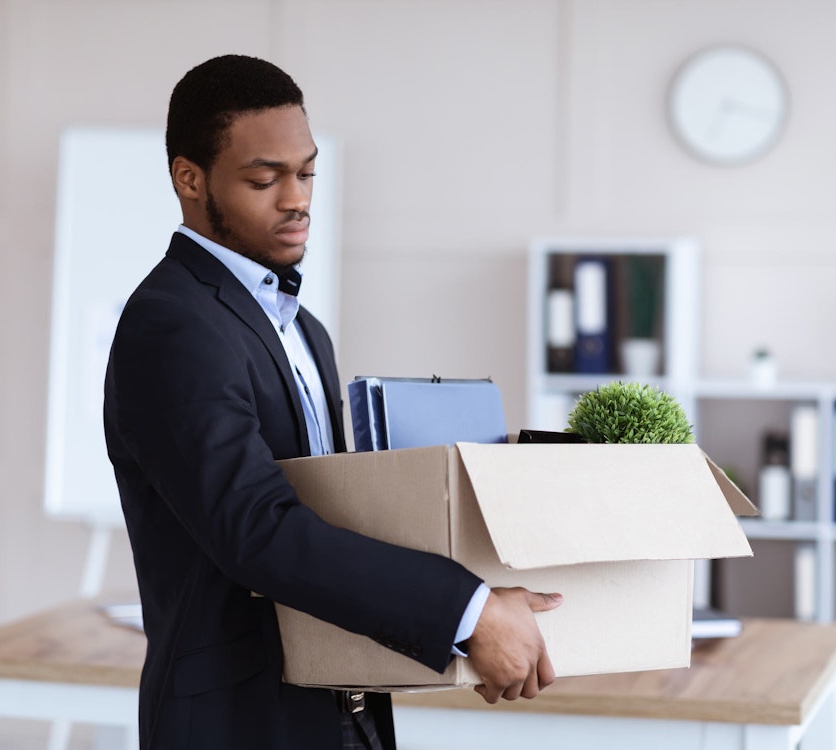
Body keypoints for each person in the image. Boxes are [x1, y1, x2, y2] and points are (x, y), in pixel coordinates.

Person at [103, 54, 561, 750]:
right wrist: (466, 610)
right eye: (265, 178)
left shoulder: (303, 330)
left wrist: (488, 589)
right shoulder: (172, 324)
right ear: (189, 179)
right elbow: (258, 530)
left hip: (345, 715)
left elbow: (334, 513)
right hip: (238, 724)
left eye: (307, 172)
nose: (297, 198)